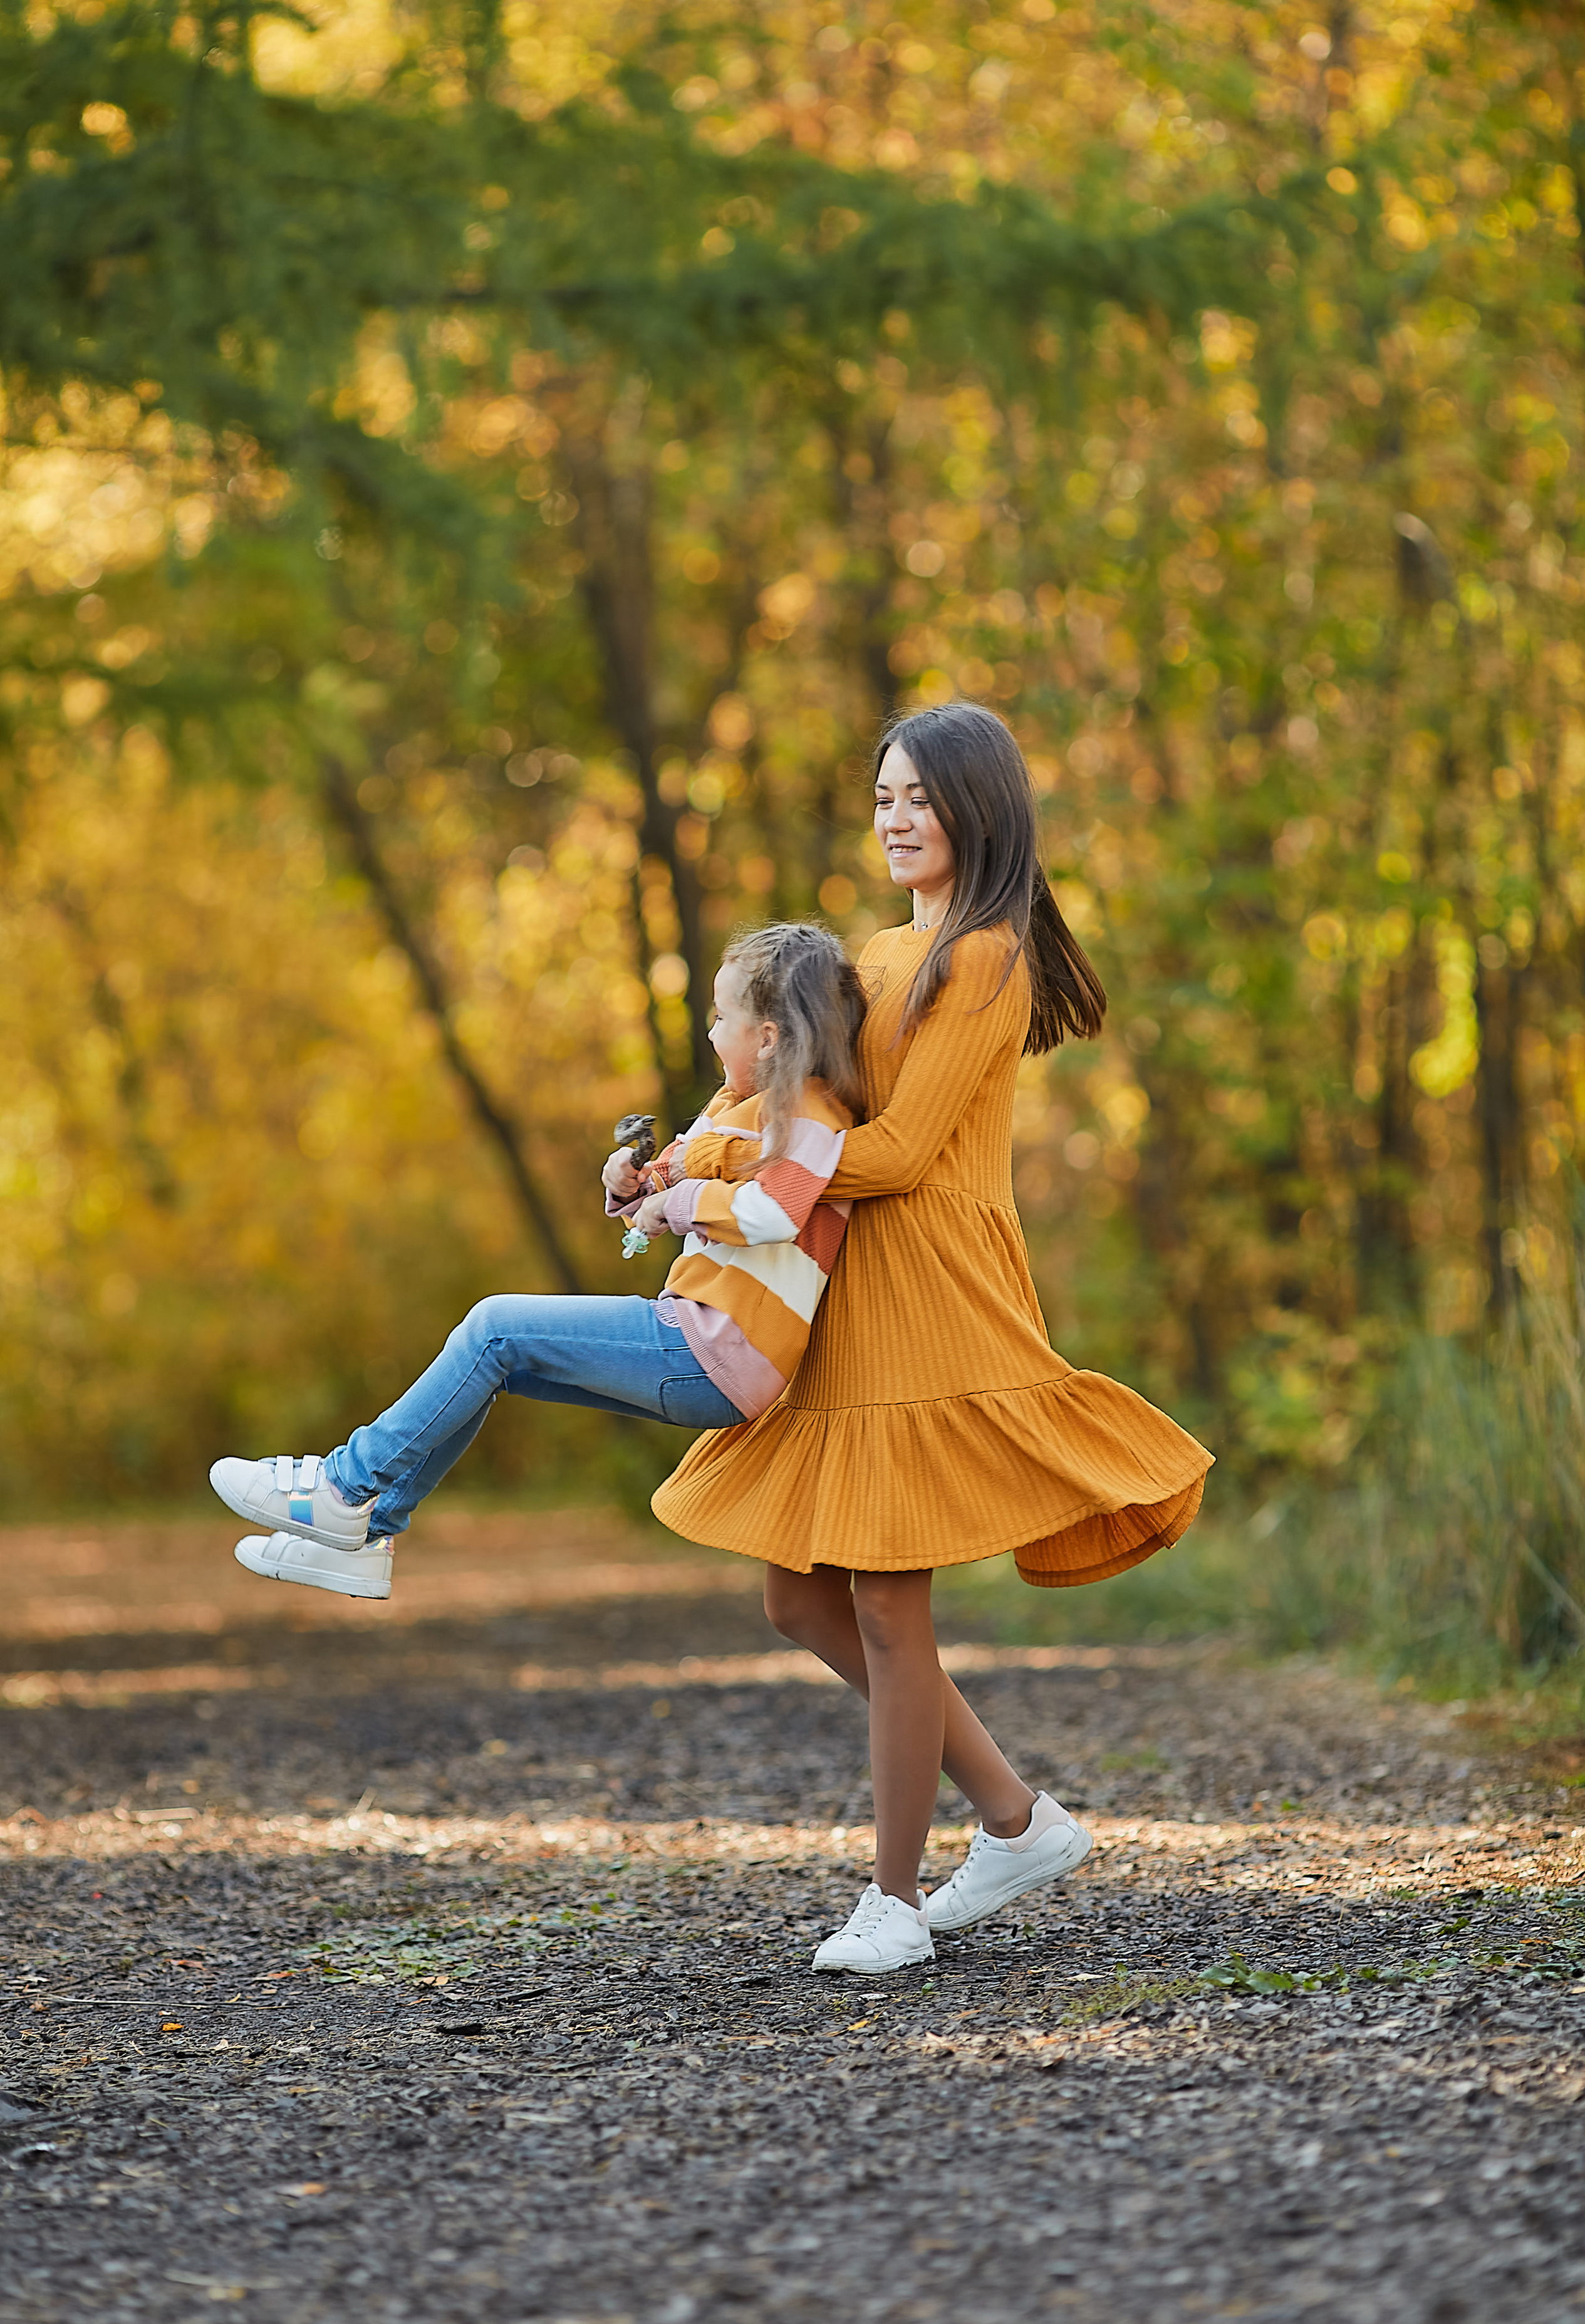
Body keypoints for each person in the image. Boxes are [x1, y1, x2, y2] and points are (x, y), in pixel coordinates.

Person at [653, 702, 1214, 1974]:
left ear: (978, 809)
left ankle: (893, 1901)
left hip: (932, 1291)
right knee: (798, 1598)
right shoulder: (875, 950)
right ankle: (1014, 1818)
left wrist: (732, 1169)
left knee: (887, 1607)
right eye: (883, 797)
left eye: (919, 796)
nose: (895, 818)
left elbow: (899, 1153)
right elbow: (798, 1099)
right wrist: (685, 1157)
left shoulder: (986, 960)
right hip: (846, 1288)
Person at [208, 922, 866, 1600]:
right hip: (699, 1338)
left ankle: (342, 1487)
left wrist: (676, 1202)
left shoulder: (813, 1114)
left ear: (768, 1037)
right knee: (496, 1360)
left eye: (722, 1018)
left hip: (717, 1351)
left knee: (495, 1327)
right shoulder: (738, 1109)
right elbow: (670, 1186)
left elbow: (772, 1213)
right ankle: (369, 1535)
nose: (709, 1031)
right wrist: (632, 1185)